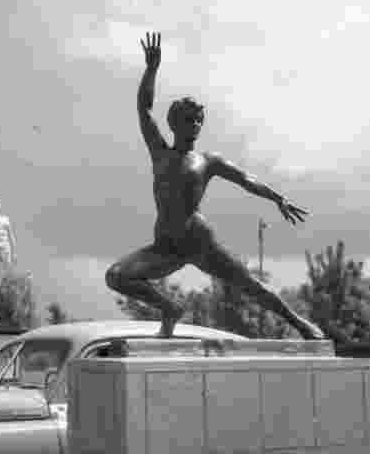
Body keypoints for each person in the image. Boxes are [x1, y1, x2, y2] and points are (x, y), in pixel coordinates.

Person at [105, 32, 326, 339]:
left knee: (247, 284)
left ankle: (300, 324)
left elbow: (246, 180)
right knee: (117, 276)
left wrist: (277, 198)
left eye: (199, 121)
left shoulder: (207, 161)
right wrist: (152, 68)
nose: (195, 125)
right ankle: (170, 309)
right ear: (174, 123)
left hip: (197, 240)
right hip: (166, 245)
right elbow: (144, 109)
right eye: (189, 120)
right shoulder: (160, 153)